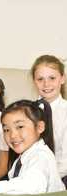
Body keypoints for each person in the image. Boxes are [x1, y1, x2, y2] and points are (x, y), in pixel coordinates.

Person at [31, 55, 67, 188]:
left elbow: (65, 160)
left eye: (52, 78)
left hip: (62, 176)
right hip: (32, 175)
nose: (46, 84)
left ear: (62, 79)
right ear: (34, 81)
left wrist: (48, 178)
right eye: (40, 79)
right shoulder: (27, 111)